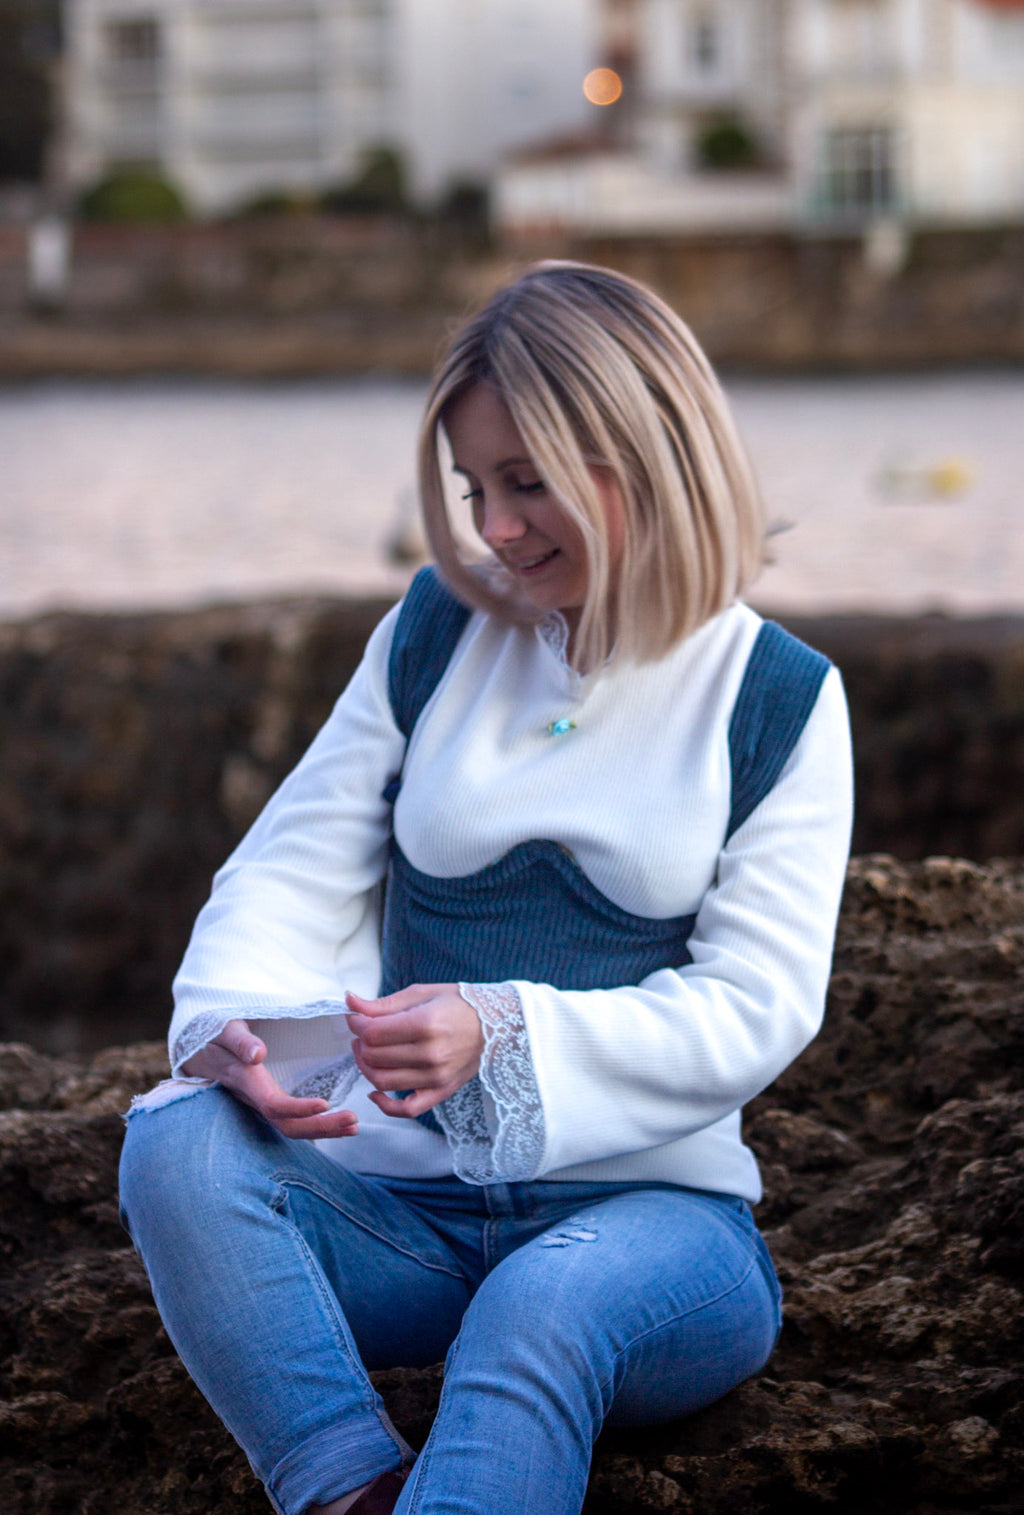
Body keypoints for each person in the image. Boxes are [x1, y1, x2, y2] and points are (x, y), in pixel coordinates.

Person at [119, 260, 853, 1515]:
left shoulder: (778, 696)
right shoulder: (434, 631)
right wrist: (243, 1031)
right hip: (400, 1225)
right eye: (473, 490)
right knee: (176, 1141)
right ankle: (346, 1484)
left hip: (656, 1239)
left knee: (538, 1304)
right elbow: (293, 866)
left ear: (649, 453)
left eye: (528, 482)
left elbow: (759, 1002)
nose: (493, 530)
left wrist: (503, 1028)